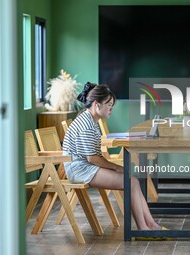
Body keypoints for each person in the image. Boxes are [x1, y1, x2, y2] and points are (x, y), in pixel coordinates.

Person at [63, 82, 168, 232]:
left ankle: (150, 225)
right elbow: (92, 158)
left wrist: (117, 168)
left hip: (87, 167)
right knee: (130, 182)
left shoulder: (90, 119)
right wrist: (116, 167)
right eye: (109, 104)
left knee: (133, 181)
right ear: (97, 104)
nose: (111, 108)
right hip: (81, 170)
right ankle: (143, 228)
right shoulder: (86, 124)